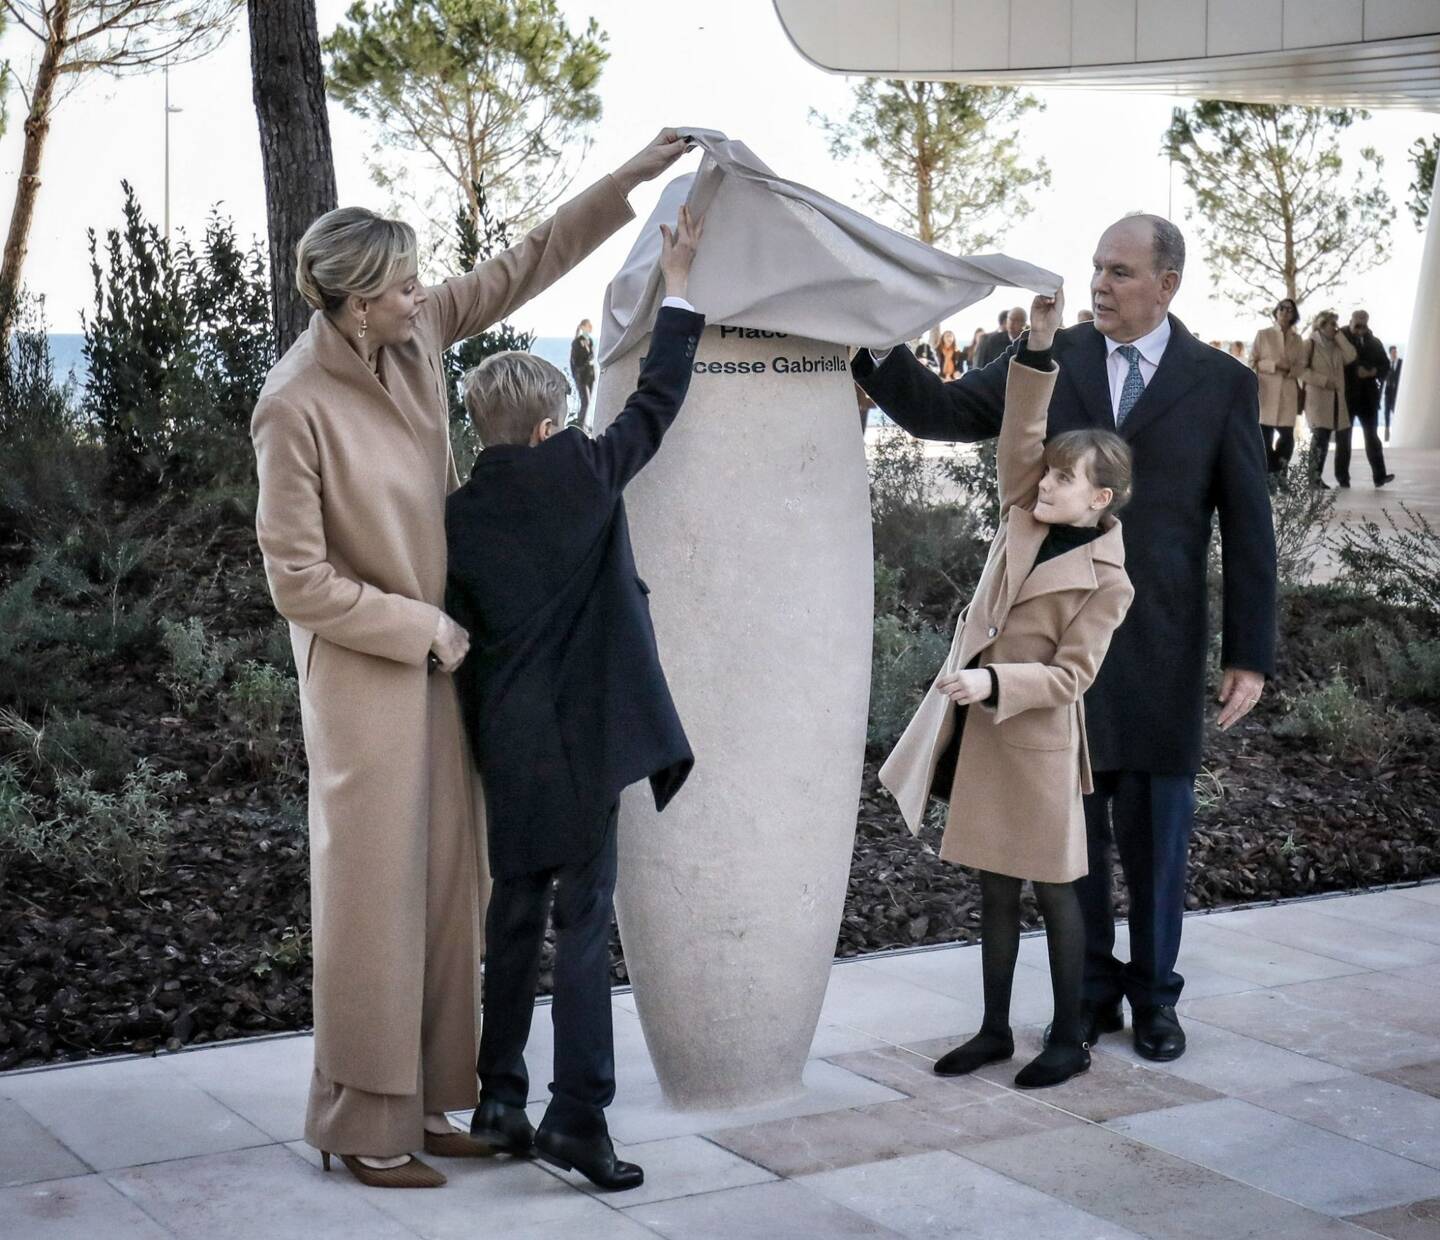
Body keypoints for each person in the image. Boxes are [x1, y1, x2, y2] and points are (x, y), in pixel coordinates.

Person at [250, 128, 690, 1190]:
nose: (422, 296)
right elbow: (297, 578)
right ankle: (358, 1120)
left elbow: (525, 260)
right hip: (372, 679)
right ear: (353, 303)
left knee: (449, 896)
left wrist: (628, 179)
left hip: (448, 675)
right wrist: (422, 628)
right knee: (371, 905)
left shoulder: (417, 336)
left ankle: (429, 1100)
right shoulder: (292, 405)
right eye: (401, 288)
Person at [853, 213, 1277, 1063]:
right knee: (1069, 837)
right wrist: (869, 338)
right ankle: (1085, 998)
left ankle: (1156, 1000)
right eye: (1096, 268)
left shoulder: (1220, 381)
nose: (1100, 286)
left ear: (1168, 284)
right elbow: (939, 412)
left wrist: (1248, 653)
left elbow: (1249, 524)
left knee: (1158, 837)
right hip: (1049, 657)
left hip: (1158, 646)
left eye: (1120, 272)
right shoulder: (1054, 359)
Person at [445, 206, 705, 1194]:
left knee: (513, 914)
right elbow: (661, 398)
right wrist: (678, 283)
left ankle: (499, 1099)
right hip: (590, 738)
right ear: (553, 423)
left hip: (509, 744)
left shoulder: (456, 520)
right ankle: (578, 1116)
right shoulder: (586, 473)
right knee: (582, 922)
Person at [880, 288, 1134, 1090]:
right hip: (985, 728)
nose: (1047, 482)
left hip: (1037, 738)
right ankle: (993, 1030)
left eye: (1066, 479)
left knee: (1057, 895)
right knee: (991, 886)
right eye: (1049, 472)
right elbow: (1021, 433)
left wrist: (992, 678)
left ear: (1100, 498)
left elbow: (1071, 676)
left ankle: (1069, 1038)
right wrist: (1039, 344)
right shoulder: (1023, 514)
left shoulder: (1108, 578)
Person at [1300, 309, 1357, 489]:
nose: (1336, 328)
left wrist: (1340, 337)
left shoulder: (1337, 345)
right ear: (1321, 325)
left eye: (1336, 324)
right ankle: (1313, 478)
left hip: (1337, 399)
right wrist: (1323, 381)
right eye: (1332, 324)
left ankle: (1343, 477)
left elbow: (1351, 356)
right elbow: (1300, 370)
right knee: (1320, 438)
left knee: (1344, 438)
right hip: (1318, 398)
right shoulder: (1309, 344)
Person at [1338, 310, 1395, 487]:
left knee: (1372, 437)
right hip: (1346, 396)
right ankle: (1343, 479)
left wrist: (1372, 372)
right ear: (1350, 321)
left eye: (1364, 324)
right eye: (1357, 324)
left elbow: (1385, 366)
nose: (1360, 328)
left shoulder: (1374, 342)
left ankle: (1379, 476)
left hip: (1368, 398)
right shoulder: (1340, 340)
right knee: (1343, 439)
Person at [1250, 298, 1306, 473]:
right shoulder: (1263, 334)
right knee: (1264, 438)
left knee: (1287, 438)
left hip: (1287, 391)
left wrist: (1290, 369)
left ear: (1294, 315)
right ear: (1276, 311)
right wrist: (1274, 365)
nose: (1285, 311)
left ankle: (1278, 472)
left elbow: (1302, 366)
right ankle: (1272, 476)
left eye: (1289, 309)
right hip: (1266, 391)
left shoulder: (1297, 340)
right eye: (1281, 308)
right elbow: (1253, 361)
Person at [570, 319, 597, 426]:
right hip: (581, 375)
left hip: (589, 374)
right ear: (583, 327)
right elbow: (576, 360)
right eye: (588, 326)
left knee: (588, 401)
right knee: (584, 401)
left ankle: (584, 424)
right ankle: (580, 425)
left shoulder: (590, 340)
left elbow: (592, 355)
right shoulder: (576, 342)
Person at [1383, 345, 1402, 441]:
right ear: (1390, 353)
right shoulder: (1387, 364)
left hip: (1397, 392)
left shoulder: (1400, 363)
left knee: (1396, 410)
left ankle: (1398, 431)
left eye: (1395, 352)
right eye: (1393, 352)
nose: (1394, 354)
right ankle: (1386, 432)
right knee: (1386, 411)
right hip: (1388, 392)